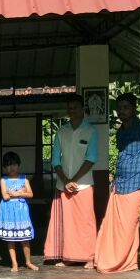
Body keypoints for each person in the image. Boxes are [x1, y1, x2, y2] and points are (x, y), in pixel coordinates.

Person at [44, 94, 98, 267]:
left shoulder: (90, 131)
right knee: (64, 223)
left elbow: (91, 158)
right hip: (63, 185)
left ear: (83, 109)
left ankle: (89, 257)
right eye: (70, 107)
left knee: (86, 222)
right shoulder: (61, 131)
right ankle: (65, 257)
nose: (72, 110)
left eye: (75, 107)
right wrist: (65, 180)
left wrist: (73, 180)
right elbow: (55, 161)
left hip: (83, 184)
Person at [93, 92, 140, 274]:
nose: (122, 111)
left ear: (134, 108)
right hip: (120, 184)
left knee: (128, 226)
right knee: (113, 226)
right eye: (119, 108)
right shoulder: (121, 131)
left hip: (136, 183)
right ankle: (123, 261)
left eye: (125, 108)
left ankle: (123, 262)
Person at [0, 152, 39, 272]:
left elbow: (31, 194)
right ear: (4, 167)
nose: (11, 167)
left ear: (18, 165)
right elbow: (5, 196)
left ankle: (28, 262)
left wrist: (17, 193)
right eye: (8, 165)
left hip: (21, 212)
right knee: (11, 239)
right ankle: (15, 263)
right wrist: (21, 192)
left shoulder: (24, 179)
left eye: (14, 164)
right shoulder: (3, 180)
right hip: (8, 212)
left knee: (25, 238)